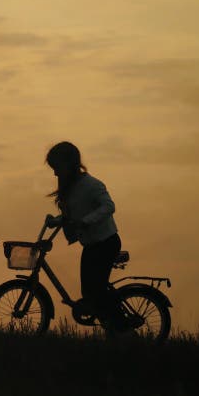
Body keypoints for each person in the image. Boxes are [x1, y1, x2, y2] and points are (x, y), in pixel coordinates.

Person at [44, 141, 130, 334]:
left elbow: (109, 206)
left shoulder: (91, 184)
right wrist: (56, 221)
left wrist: (86, 221)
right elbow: (72, 218)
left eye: (56, 168)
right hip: (91, 246)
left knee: (96, 292)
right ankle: (112, 328)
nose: (55, 174)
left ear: (68, 164)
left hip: (106, 243)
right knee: (89, 293)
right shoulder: (72, 189)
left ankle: (121, 329)